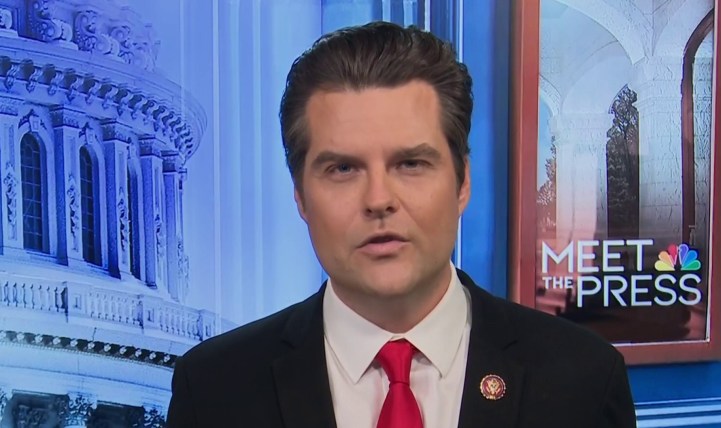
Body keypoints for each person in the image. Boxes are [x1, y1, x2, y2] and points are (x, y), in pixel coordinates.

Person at [167, 21, 636, 428]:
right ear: (300, 196)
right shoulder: (214, 389)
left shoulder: (584, 380)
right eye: (343, 169)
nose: (378, 200)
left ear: (463, 182)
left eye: (411, 164)